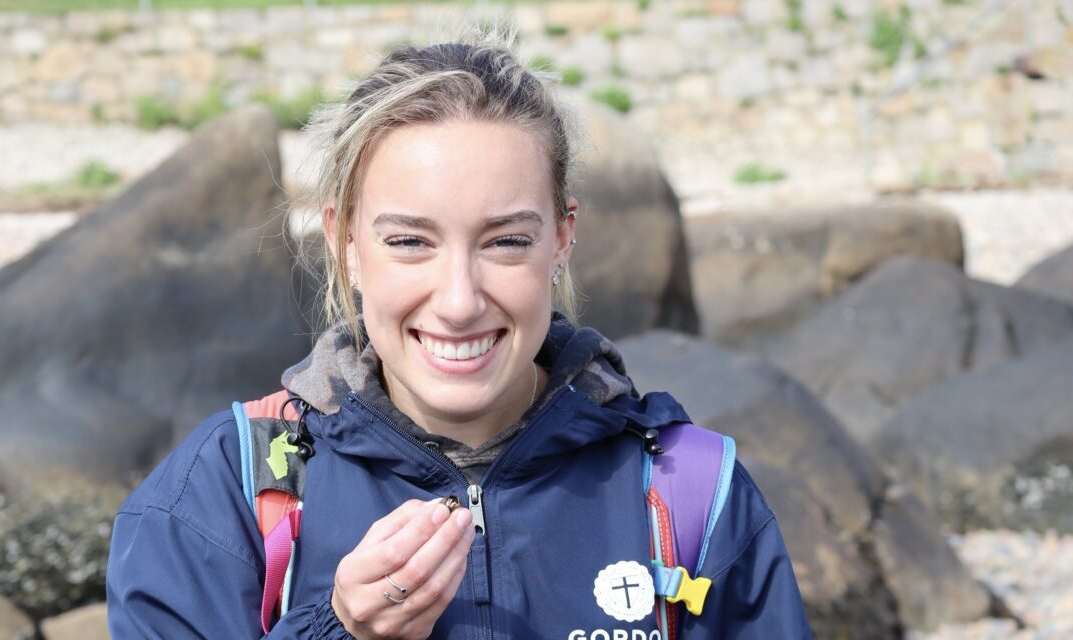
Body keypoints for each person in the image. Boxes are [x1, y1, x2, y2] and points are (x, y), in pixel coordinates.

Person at [106, 33, 811, 640]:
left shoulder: (692, 496)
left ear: (562, 237)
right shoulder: (224, 494)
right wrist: (339, 630)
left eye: (505, 241)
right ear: (344, 240)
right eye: (410, 241)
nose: (458, 300)